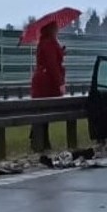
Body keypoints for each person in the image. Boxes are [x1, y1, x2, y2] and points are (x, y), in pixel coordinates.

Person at [30, 22, 66, 151]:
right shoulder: (49, 43)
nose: (58, 29)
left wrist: (61, 52)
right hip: (46, 83)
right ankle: (40, 141)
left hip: (42, 81)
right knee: (44, 113)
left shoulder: (45, 42)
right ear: (51, 29)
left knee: (43, 113)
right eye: (56, 27)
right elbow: (52, 65)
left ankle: (41, 141)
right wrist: (60, 83)